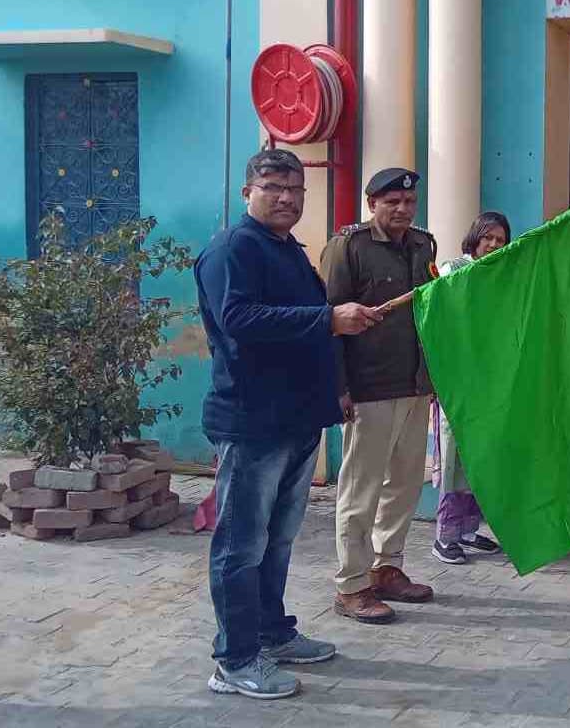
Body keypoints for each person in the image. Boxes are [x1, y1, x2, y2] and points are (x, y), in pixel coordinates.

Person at [197, 148, 382, 700]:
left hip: (297, 419)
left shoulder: (287, 250)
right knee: (241, 545)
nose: (285, 198)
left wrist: (335, 388)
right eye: (272, 187)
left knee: (277, 540)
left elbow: (311, 332)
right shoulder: (233, 250)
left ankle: (272, 634)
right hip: (252, 422)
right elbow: (239, 319)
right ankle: (234, 660)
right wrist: (327, 318)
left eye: (295, 189)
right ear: (247, 193)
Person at [319, 167, 439, 625]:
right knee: (360, 490)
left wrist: (434, 379)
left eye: (409, 202)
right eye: (393, 202)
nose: (403, 209)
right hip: (368, 388)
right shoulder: (348, 247)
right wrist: (339, 387)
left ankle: (387, 567)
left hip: (413, 385)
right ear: (372, 204)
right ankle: (351, 585)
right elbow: (329, 319)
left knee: (404, 485)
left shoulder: (423, 245)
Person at [429, 212, 511, 565]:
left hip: (488, 382)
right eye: (487, 238)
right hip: (457, 381)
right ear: (474, 238)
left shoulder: (502, 277)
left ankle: (467, 530)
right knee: (455, 457)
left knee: (479, 458)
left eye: (500, 240)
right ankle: (444, 536)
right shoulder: (454, 270)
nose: (493, 245)